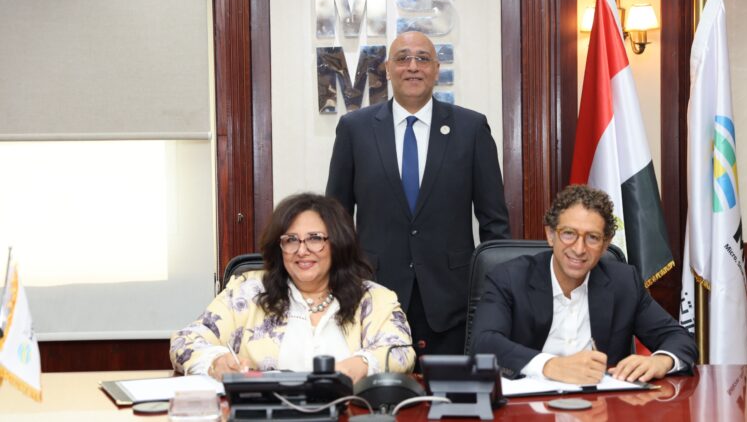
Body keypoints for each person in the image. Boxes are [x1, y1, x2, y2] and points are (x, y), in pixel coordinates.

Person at [326, 31, 510, 357]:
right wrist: (339, 284)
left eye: (423, 59)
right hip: (373, 295)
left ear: (436, 69)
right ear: (387, 68)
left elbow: (494, 222)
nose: (413, 66)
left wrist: (495, 295)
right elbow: (335, 217)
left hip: (451, 301)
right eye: (403, 58)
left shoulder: (471, 128)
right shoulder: (355, 128)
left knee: (448, 390)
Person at [170, 193, 415, 383]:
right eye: (291, 240)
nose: (302, 250)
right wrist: (216, 362)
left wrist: (358, 366)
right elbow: (185, 341)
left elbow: (401, 352)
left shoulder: (373, 298)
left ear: (338, 243)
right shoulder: (248, 292)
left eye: (315, 239)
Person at [471, 184, 697, 384]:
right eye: (569, 234)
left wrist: (661, 360)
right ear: (550, 235)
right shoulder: (509, 278)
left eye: (592, 238)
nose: (579, 249)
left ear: (605, 244)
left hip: (600, 407)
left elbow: (679, 338)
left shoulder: (624, 283)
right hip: (527, 407)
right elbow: (483, 343)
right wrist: (550, 366)